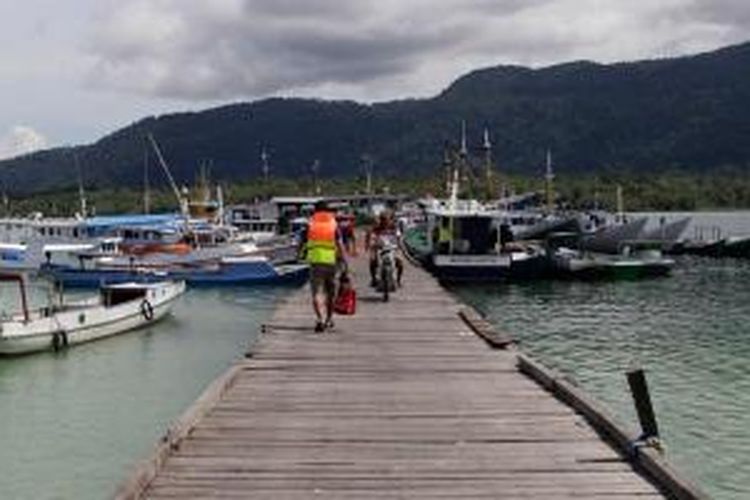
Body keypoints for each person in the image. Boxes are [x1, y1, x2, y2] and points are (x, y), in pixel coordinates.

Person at [302, 201, 346, 332]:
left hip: (316, 262)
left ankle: (320, 319)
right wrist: (344, 261)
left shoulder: (310, 225)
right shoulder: (334, 225)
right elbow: (340, 244)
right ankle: (329, 319)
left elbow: (303, 243)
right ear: (328, 211)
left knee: (317, 293)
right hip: (332, 262)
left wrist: (301, 255)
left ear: (315, 211)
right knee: (331, 292)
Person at [365, 210, 404, 288]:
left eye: (386, 219)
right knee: (372, 260)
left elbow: (399, 238)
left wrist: (400, 246)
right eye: (383, 219)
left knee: (400, 262)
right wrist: (371, 244)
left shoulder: (394, 228)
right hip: (380, 248)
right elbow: (371, 237)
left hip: (392, 248)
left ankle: (399, 280)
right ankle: (373, 279)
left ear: (390, 220)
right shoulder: (376, 229)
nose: (385, 221)